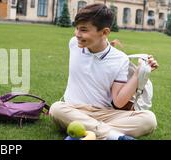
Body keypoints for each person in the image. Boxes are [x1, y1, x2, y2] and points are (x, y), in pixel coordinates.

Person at [49, 3, 159, 140]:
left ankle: (86, 134)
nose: (77, 34)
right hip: (73, 109)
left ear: (105, 32)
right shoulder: (74, 44)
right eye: (76, 28)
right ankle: (115, 136)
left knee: (149, 120)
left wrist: (138, 74)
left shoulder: (120, 59)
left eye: (83, 30)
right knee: (56, 108)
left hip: (105, 113)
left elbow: (118, 102)